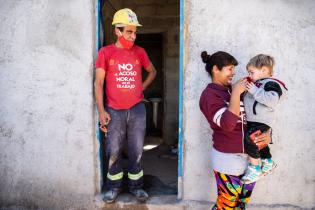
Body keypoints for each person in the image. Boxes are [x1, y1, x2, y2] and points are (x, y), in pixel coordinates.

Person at [94, 8, 157, 203]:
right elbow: (98, 83)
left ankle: (136, 187)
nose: (133, 35)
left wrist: (141, 89)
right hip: (114, 110)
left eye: (134, 31)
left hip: (137, 109)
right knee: (113, 150)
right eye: (129, 31)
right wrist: (102, 110)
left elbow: (152, 71)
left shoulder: (140, 52)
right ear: (117, 31)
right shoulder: (105, 52)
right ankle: (114, 187)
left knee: (137, 149)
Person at [199, 51, 271, 210]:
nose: (233, 73)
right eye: (229, 69)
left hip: (251, 160)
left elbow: (256, 116)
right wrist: (237, 93)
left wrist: (268, 135)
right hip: (228, 159)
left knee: (241, 205)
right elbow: (227, 125)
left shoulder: (231, 90)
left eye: (234, 69)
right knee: (226, 206)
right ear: (215, 69)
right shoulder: (209, 96)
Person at [241, 54, 287, 184]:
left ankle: (255, 168)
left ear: (264, 70)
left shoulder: (271, 83)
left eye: (252, 72)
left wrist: (255, 90)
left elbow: (272, 100)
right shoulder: (257, 83)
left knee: (250, 139)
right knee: (259, 143)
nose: (250, 75)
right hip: (253, 120)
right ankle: (268, 162)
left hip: (261, 121)